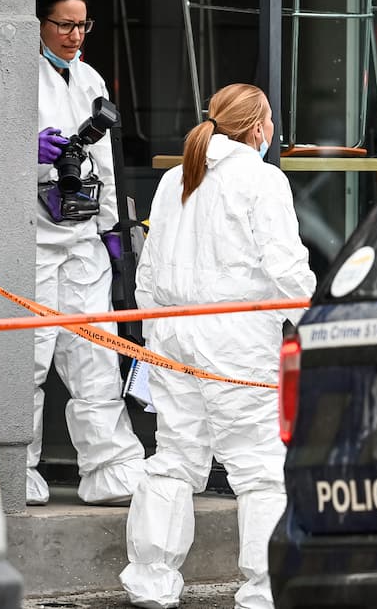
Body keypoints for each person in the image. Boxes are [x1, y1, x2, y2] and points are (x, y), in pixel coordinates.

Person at [120, 84, 316, 609]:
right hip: (235, 338)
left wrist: (152, 332)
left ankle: (151, 581)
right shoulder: (262, 179)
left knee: (174, 456)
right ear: (257, 127)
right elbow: (285, 267)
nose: (271, 130)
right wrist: (317, 324)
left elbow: (148, 268)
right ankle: (265, 588)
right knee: (259, 463)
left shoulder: (174, 179)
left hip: (172, 332)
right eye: (269, 121)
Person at [28, 0, 146, 506]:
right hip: (33, 237)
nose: (75, 36)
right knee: (30, 355)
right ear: (39, 23)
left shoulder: (90, 78)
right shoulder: (18, 74)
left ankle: (111, 469)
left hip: (81, 238)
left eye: (82, 25)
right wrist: (27, 151)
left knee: (96, 353)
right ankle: (17, 466)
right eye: (64, 25)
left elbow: (107, 166)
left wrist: (112, 229)